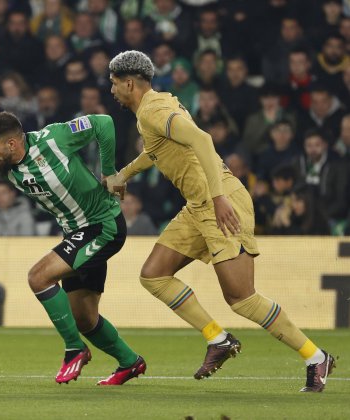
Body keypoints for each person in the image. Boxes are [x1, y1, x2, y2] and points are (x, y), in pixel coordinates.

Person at [105, 50, 336, 392]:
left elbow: (203, 139)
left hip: (220, 200)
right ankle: (219, 339)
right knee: (154, 275)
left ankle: (316, 357)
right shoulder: (155, 107)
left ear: (129, 83)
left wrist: (218, 198)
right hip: (199, 205)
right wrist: (124, 173)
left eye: (113, 84)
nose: (111, 90)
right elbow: (157, 150)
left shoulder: (154, 110)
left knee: (242, 298)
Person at [0, 111, 146, 386]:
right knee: (84, 318)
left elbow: (104, 123)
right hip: (76, 232)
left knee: (38, 277)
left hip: (102, 225)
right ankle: (130, 362)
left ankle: (74, 349)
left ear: (12, 144)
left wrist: (109, 171)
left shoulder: (55, 138)